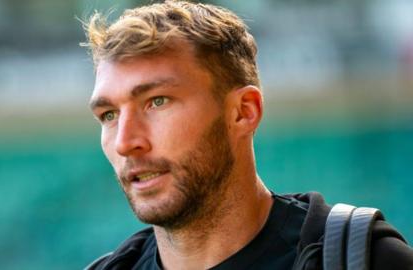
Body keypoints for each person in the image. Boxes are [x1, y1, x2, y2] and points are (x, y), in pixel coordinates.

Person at [83, 1, 413, 269]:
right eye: (109, 115)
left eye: (157, 102)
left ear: (244, 111)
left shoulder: (363, 259)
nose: (126, 142)